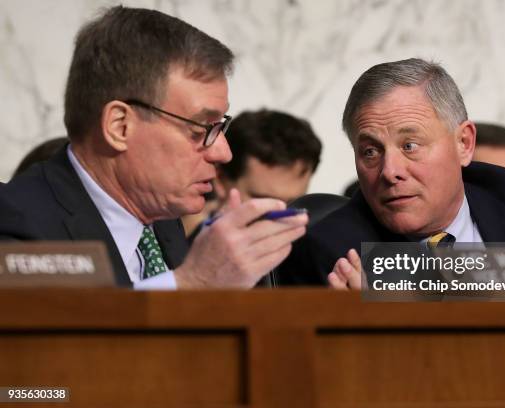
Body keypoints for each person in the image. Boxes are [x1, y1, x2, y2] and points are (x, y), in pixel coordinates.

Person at [0, 6, 308, 289]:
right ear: (119, 126)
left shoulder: (160, 215)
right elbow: (57, 343)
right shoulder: (15, 223)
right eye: (201, 128)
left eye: (220, 127)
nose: (222, 153)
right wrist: (192, 283)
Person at [275, 58, 505, 288]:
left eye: (410, 146)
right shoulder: (331, 250)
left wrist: (412, 294)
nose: (390, 172)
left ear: (463, 143)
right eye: (371, 152)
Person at [182, 109, 322, 242]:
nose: (282, 216)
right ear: (221, 180)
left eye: (293, 204)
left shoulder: (311, 252)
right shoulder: (172, 250)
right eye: (264, 201)